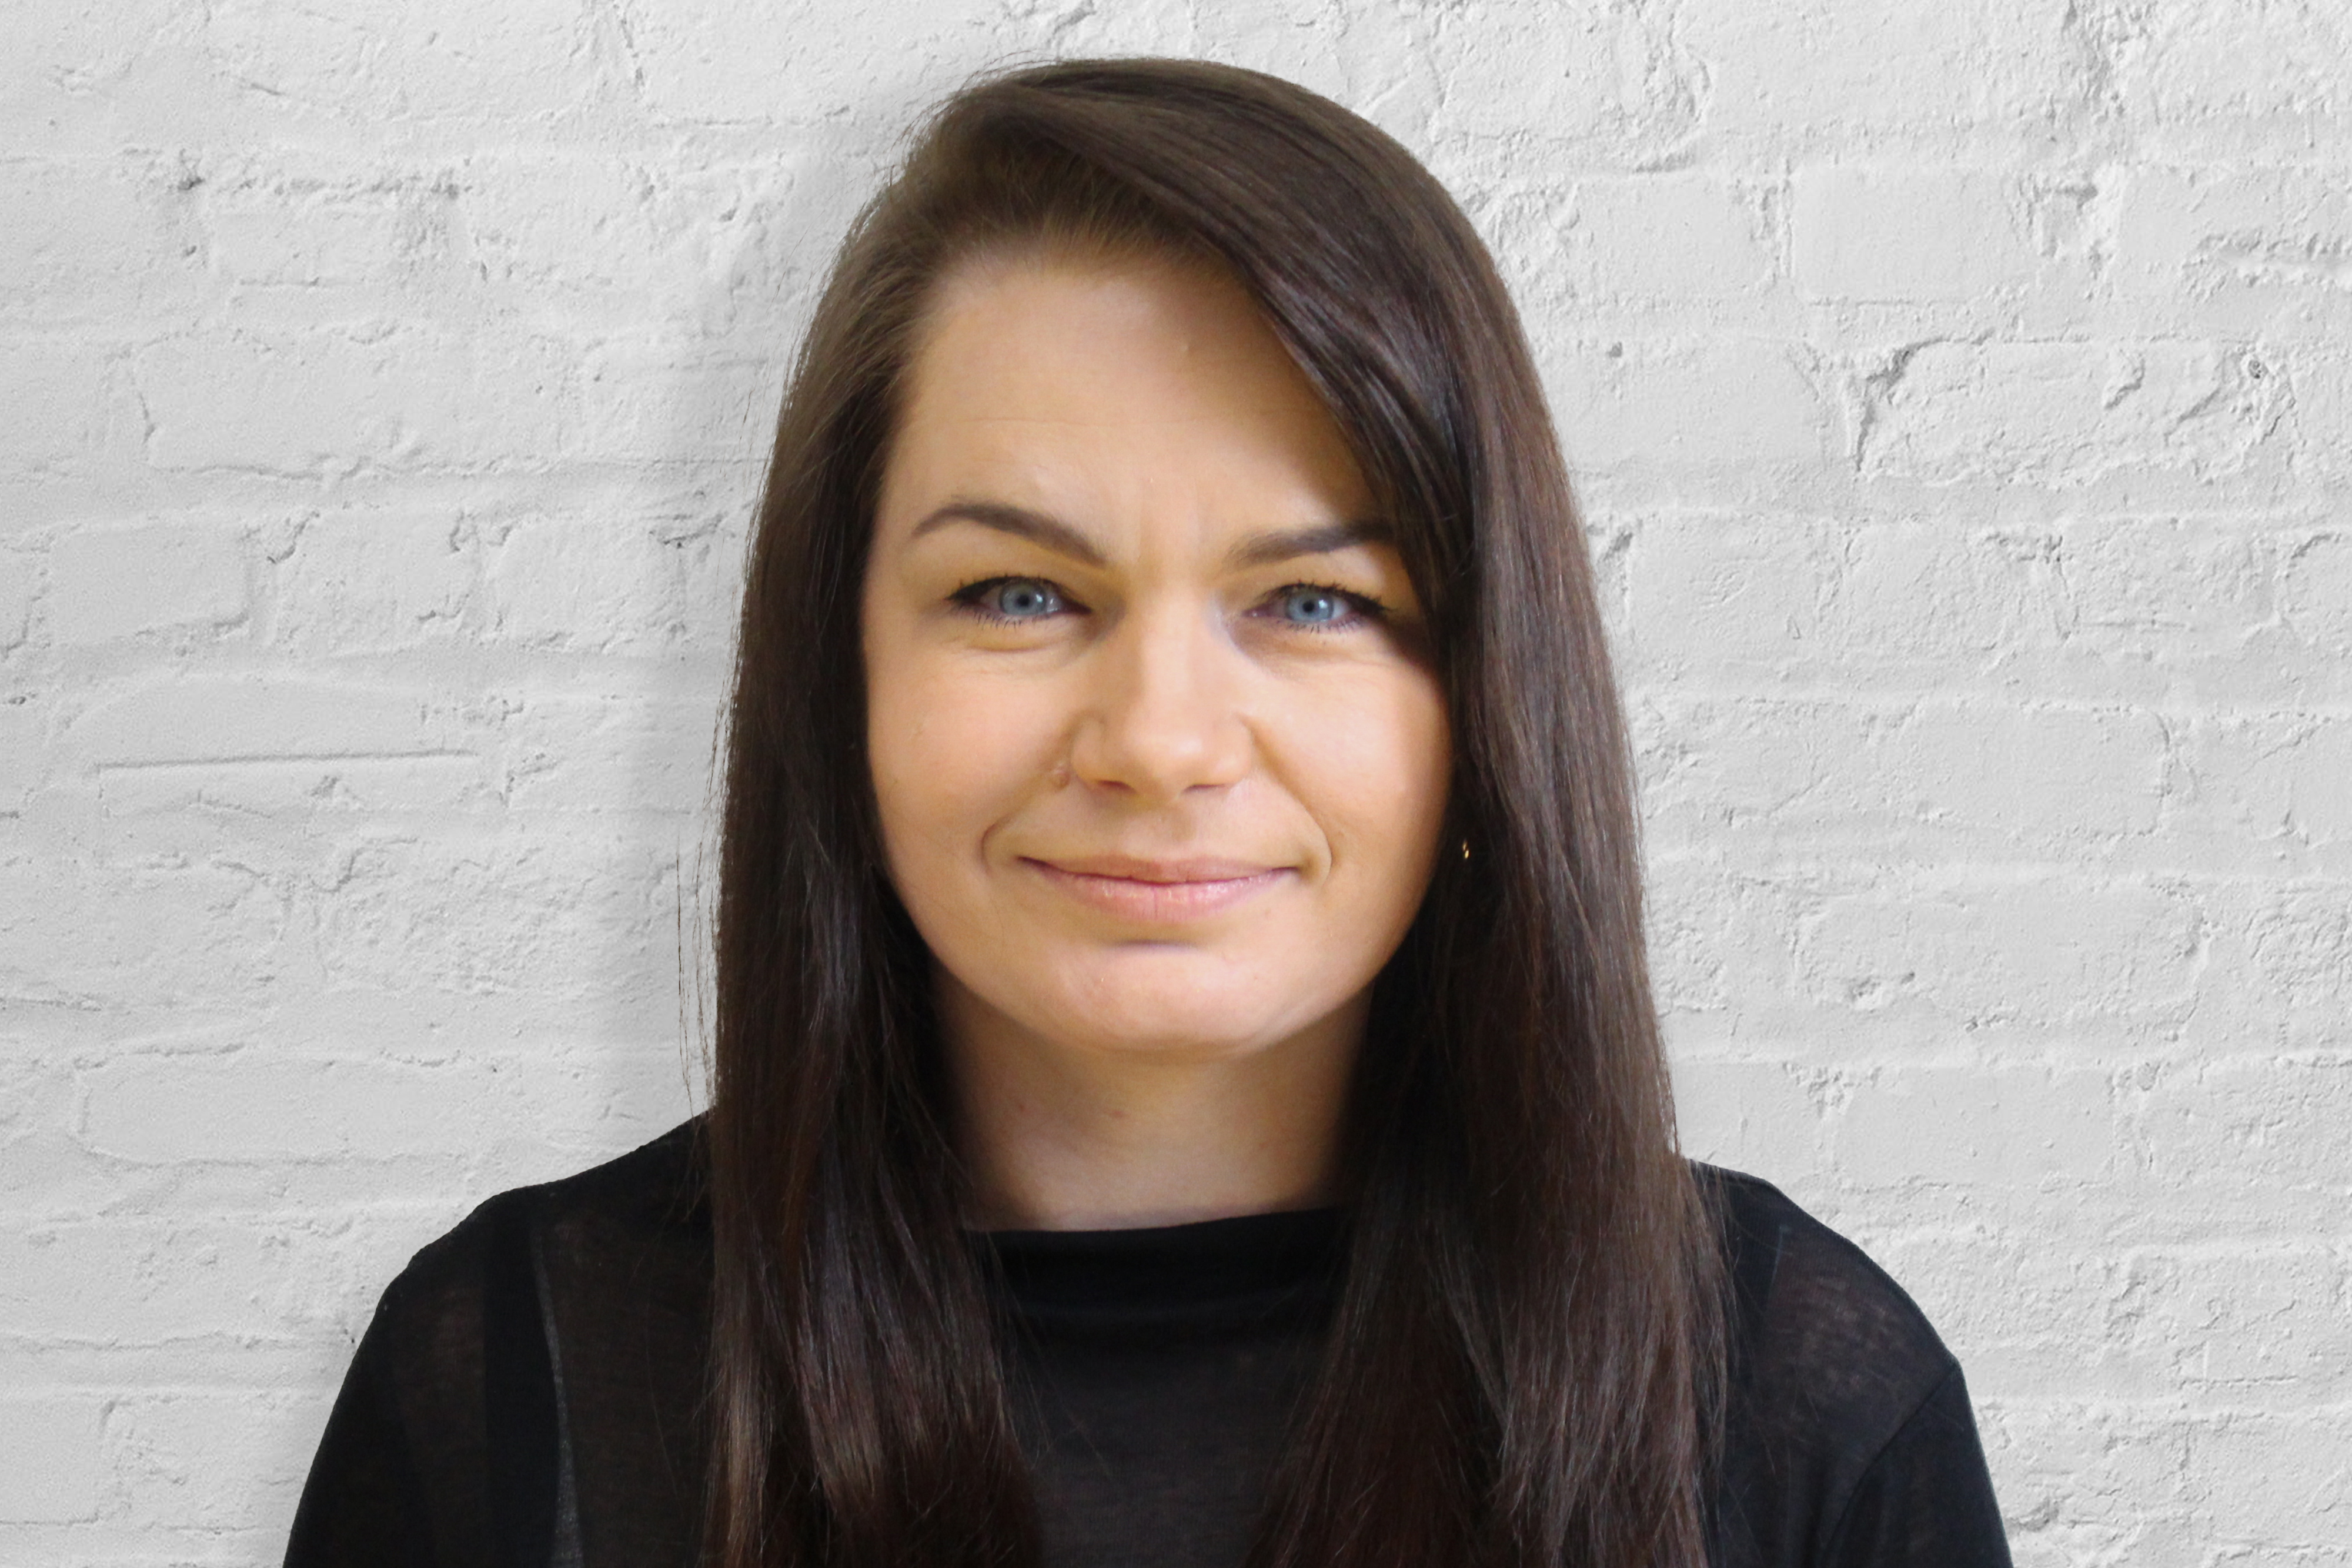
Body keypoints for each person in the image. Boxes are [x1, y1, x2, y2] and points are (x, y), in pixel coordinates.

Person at [285, 59, 2012, 1568]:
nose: (1163, 741)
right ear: (842, 673)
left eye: (1315, 603)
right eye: (1021, 593)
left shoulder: (1794, 1400)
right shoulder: (517, 1376)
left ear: (1487, 700)